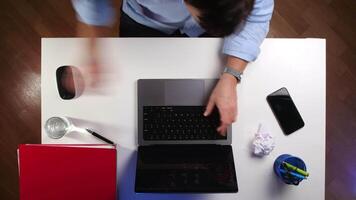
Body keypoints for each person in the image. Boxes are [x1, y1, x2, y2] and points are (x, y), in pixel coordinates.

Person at [71, 0, 274, 135]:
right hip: (144, 20)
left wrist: (231, 75)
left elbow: (258, 16)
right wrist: (92, 48)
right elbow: (91, 4)